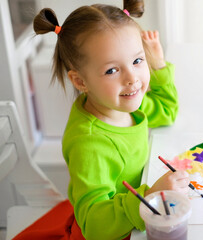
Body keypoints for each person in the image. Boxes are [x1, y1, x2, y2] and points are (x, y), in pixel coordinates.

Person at [32, 1, 189, 239]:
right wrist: (149, 198)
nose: (132, 79)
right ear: (81, 82)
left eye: (137, 61)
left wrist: (157, 64)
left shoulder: (121, 104)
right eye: (112, 70)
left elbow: (166, 112)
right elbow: (94, 225)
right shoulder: (90, 144)